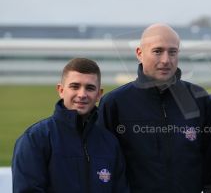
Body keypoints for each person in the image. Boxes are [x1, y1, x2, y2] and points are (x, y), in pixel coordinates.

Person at [98, 23, 211, 193]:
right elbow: (103, 163)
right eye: (157, 51)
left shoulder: (198, 98)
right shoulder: (114, 103)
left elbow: (210, 159)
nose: (166, 60)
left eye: (172, 52)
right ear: (139, 53)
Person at [12, 58, 129, 193]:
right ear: (61, 90)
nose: (82, 94)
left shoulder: (110, 142)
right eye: (75, 86)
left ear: (99, 95)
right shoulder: (35, 139)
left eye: (90, 88)